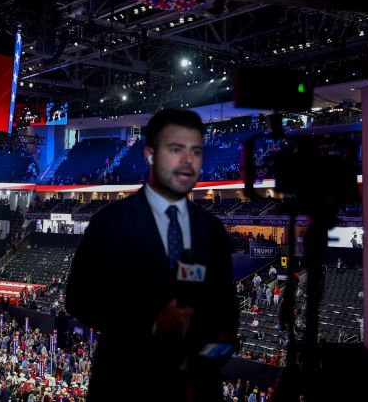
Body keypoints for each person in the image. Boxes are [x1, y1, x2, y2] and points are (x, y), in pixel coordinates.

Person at [65, 109, 239, 400]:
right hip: (125, 383)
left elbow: (227, 330)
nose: (187, 161)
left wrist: (196, 368)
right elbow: (78, 301)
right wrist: (153, 324)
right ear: (150, 155)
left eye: (195, 151)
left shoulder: (212, 232)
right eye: (176, 149)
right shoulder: (110, 223)